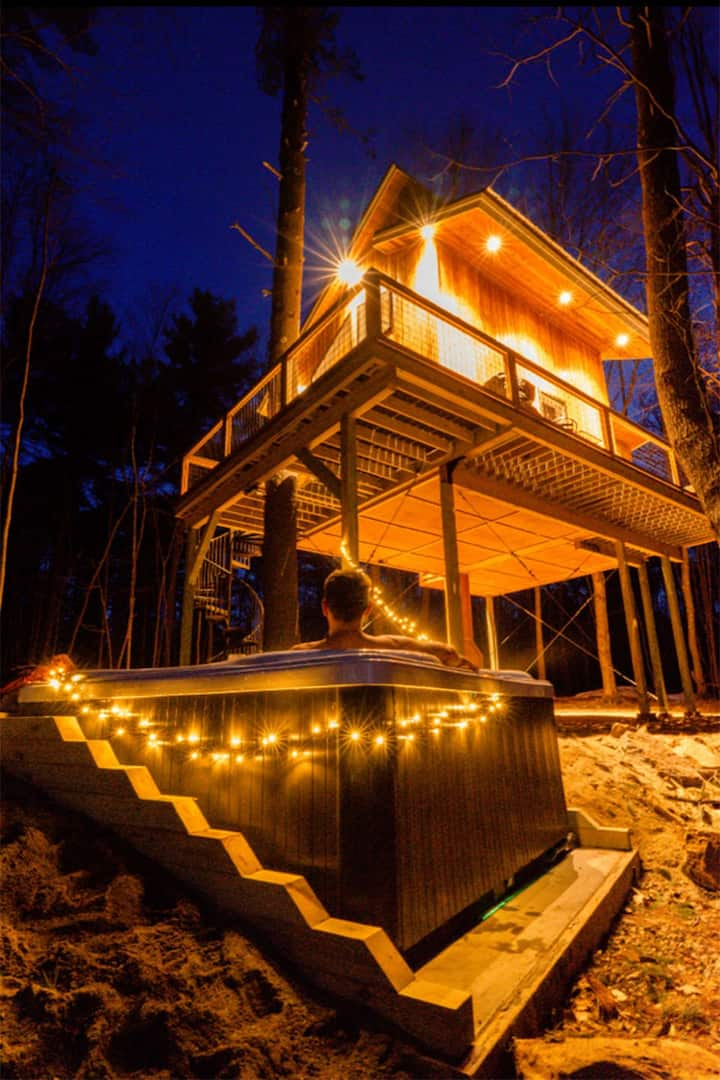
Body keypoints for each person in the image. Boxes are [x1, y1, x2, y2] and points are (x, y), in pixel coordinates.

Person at [291, 568, 479, 671]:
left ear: (325, 607)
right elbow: (446, 653)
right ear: (368, 610)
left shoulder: (300, 655)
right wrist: (457, 661)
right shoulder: (392, 647)